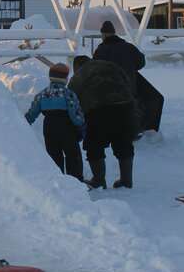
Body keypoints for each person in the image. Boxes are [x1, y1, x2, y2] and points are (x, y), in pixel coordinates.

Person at [69, 55, 136, 189]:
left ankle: (99, 180)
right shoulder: (110, 64)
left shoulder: (81, 73)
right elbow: (128, 82)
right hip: (125, 106)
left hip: (98, 110)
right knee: (123, 142)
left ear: (76, 67)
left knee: (94, 145)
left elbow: (72, 95)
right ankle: (126, 180)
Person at [24, 63, 85, 180]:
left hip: (49, 127)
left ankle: (58, 181)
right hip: (66, 128)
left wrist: (23, 123)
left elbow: (31, 114)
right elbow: (75, 114)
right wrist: (80, 126)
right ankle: (76, 181)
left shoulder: (42, 95)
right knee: (73, 155)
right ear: (65, 79)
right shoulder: (69, 94)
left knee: (54, 155)